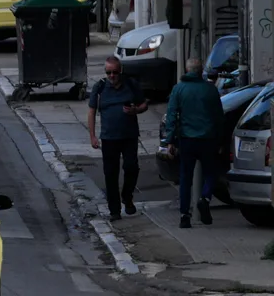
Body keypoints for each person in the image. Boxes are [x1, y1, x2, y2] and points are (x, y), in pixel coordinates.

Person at [164, 58, 225, 228]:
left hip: (187, 139)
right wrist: (220, 139)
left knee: (185, 178)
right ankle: (205, 198)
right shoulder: (210, 90)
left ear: (186, 69)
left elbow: (171, 115)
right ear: (200, 71)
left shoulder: (179, 89)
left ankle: (184, 216)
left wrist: (170, 140)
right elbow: (219, 117)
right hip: (208, 139)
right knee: (211, 173)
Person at [87, 56, 150, 220]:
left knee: (131, 167)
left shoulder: (130, 85)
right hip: (109, 137)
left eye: (115, 72)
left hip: (129, 135)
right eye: (108, 72)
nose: (112, 76)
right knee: (110, 173)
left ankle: (127, 196)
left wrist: (135, 110)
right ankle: (114, 210)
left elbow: (144, 104)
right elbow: (92, 111)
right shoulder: (100, 88)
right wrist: (92, 136)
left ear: (120, 71)